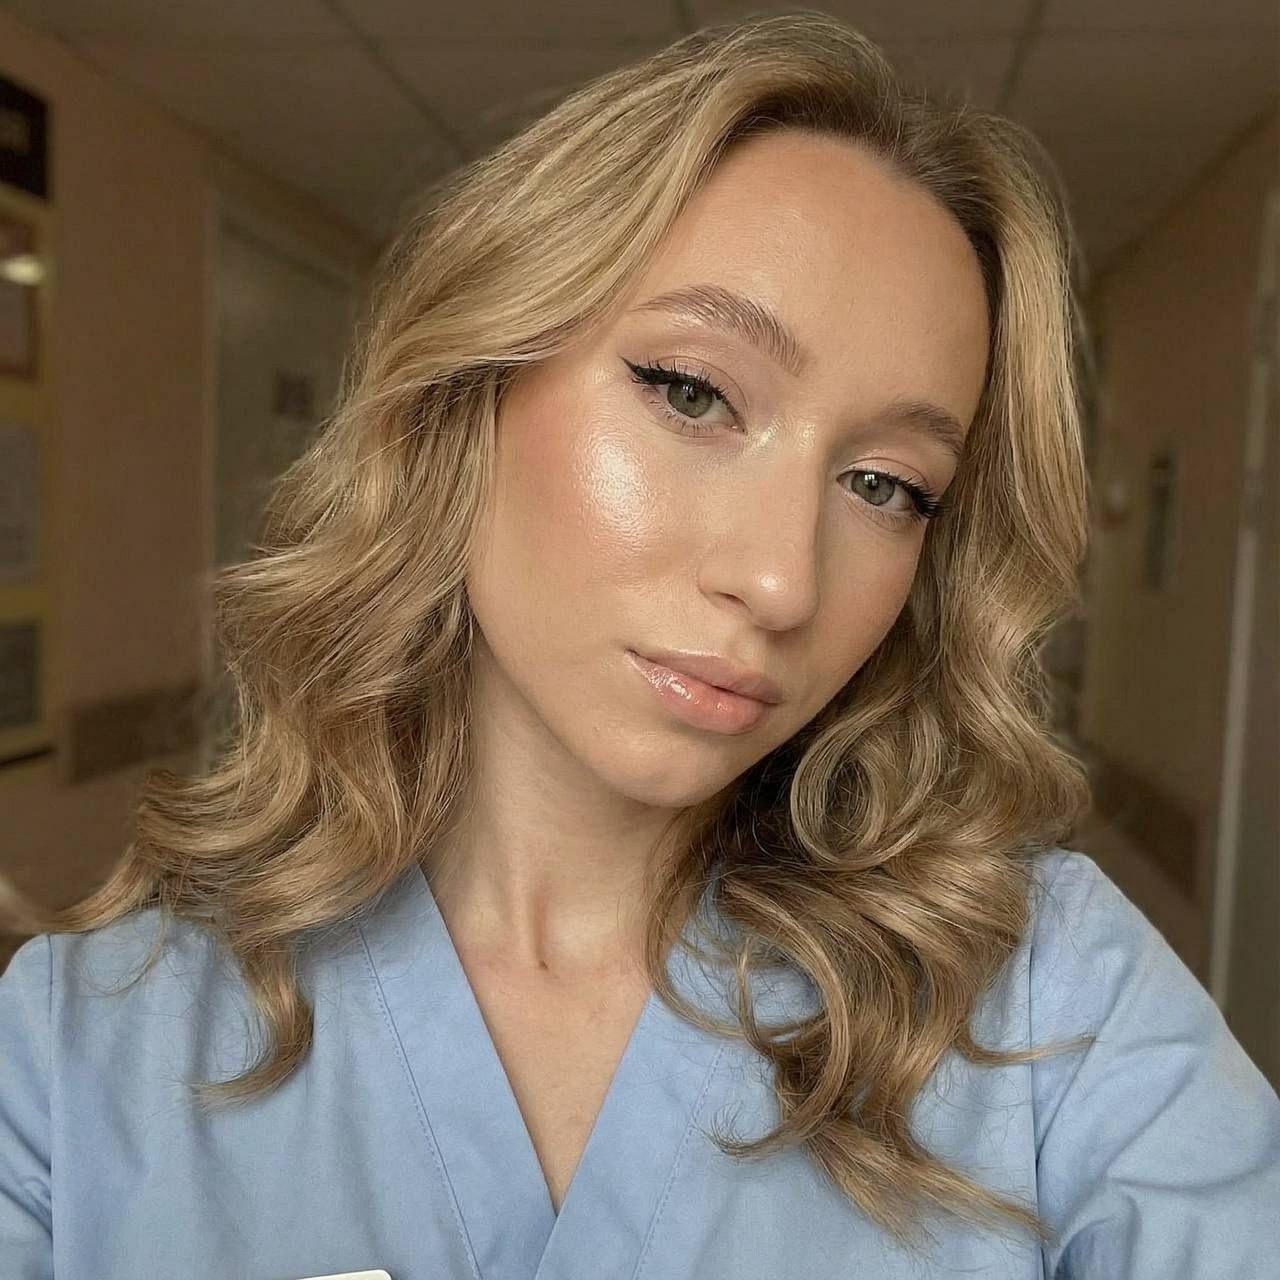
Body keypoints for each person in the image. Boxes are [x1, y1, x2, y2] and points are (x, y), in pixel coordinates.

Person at [2, 11, 1278, 1279]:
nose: (779, 579)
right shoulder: (74, 1054)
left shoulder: (1052, 1004)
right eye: (691, 390)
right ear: (468, 388)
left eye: (885, 484)